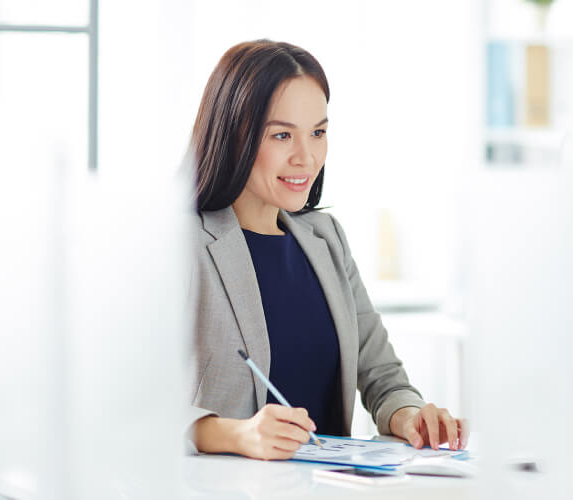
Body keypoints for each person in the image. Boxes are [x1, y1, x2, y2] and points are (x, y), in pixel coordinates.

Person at [189, 39, 468, 460]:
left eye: (318, 132)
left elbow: (382, 376)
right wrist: (236, 435)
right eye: (282, 135)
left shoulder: (325, 238)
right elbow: (129, 402)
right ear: (235, 136)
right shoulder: (182, 245)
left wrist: (410, 415)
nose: (307, 156)